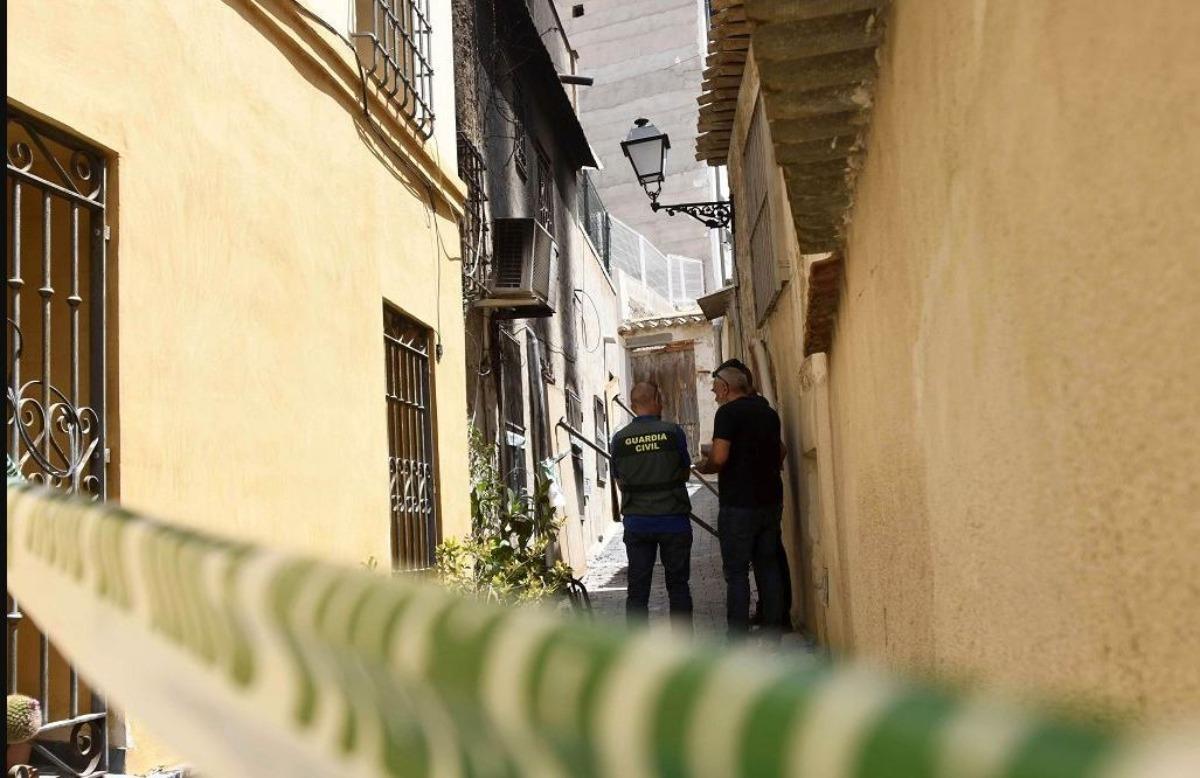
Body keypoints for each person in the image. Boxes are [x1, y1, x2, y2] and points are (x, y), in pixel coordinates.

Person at [697, 366, 788, 640]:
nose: (715, 397)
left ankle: (737, 635)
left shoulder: (727, 413)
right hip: (771, 500)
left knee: (736, 572)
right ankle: (774, 631)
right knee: (767, 565)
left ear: (725, 388)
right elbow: (781, 450)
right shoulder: (768, 413)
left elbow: (720, 456)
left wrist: (706, 466)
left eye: (715, 391)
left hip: (738, 504)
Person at [610, 382, 694, 628]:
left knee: (637, 590)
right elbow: (685, 473)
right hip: (674, 521)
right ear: (657, 400)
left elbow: (620, 482)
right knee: (678, 586)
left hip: (638, 522)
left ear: (633, 405)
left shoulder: (620, 439)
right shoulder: (672, 432)